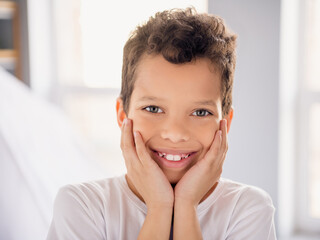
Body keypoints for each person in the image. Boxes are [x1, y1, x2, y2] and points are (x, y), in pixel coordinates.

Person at [47, 8, 276, 240]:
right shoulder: (81, 207)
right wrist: (159, 207)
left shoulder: (248, 210)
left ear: (225, 125)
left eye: (199, 112)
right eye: (153, 109)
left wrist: (186, 205)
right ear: (122, 115)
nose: (175, 134)